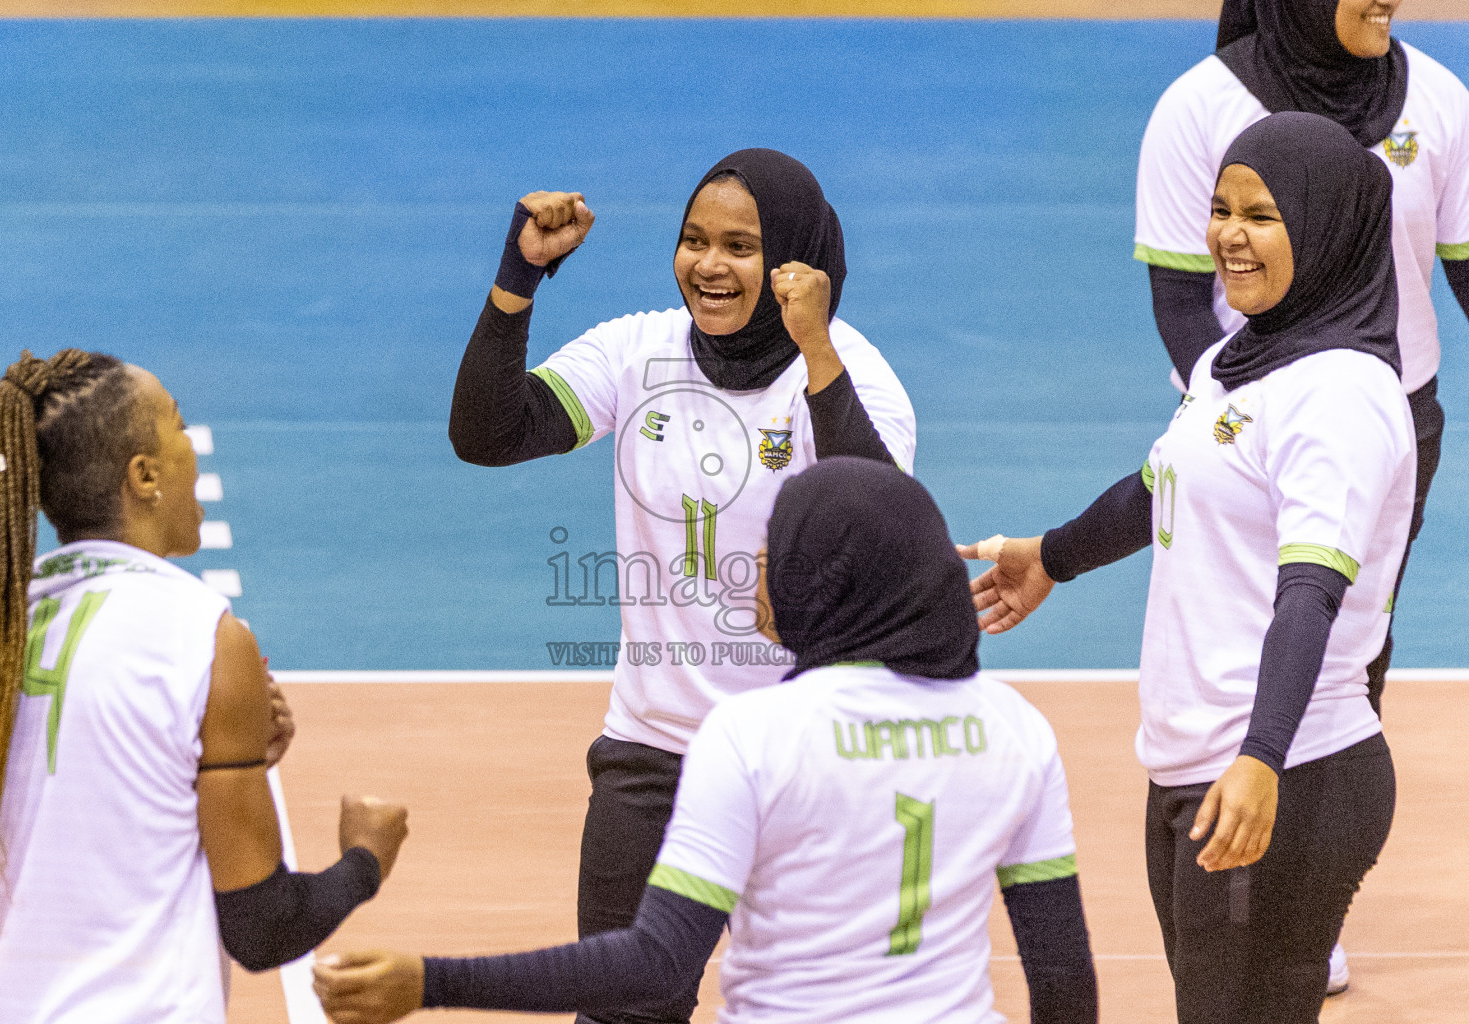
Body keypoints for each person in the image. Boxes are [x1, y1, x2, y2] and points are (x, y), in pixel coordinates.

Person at [312, 456, 1097, 1024]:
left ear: (827, 579)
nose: (757, 567)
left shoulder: (756, 733)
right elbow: (1062, 978)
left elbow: (655, 961)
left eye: (779, 548)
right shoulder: (1015, 730)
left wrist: (433, 981)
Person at [447, 149, 916, 1023]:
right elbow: (488, 430)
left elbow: (893, 536)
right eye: (694, 240)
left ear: (794, 262)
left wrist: (815, 348)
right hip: (653, 757)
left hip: (806, 766)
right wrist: (519, 280)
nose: (709, 265)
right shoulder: (639, 353)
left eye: (741, 246)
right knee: (622, 1010)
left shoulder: (852, 379)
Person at [970, 113, 1410, 1024]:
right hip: (1197, 765)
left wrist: (1260, 760)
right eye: (1221, 209)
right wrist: (1051, 556)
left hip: (1289, 772)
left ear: (1327, 231)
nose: (1229, 237)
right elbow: (1158, 488)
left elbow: (1311, 594)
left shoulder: (1341, 398)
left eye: (1262, 216)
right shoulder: (1235, 360)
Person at [0, 349, 411, 1022]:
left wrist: (200, 756)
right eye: (180, 426)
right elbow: (263, 928)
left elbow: (90, 804)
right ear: (145, 476)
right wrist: (366, 856)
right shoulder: (203, 635)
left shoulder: (5, 623)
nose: (194, 446)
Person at [1135, 0, 1469, 729]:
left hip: (1394, 420)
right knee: (1240, 634)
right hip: (1237, 421)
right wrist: (1246, 411)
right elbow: (1180, 303)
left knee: (1353, 642)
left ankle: (1330, 809)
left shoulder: (1441, 101)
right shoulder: (1199, 107)